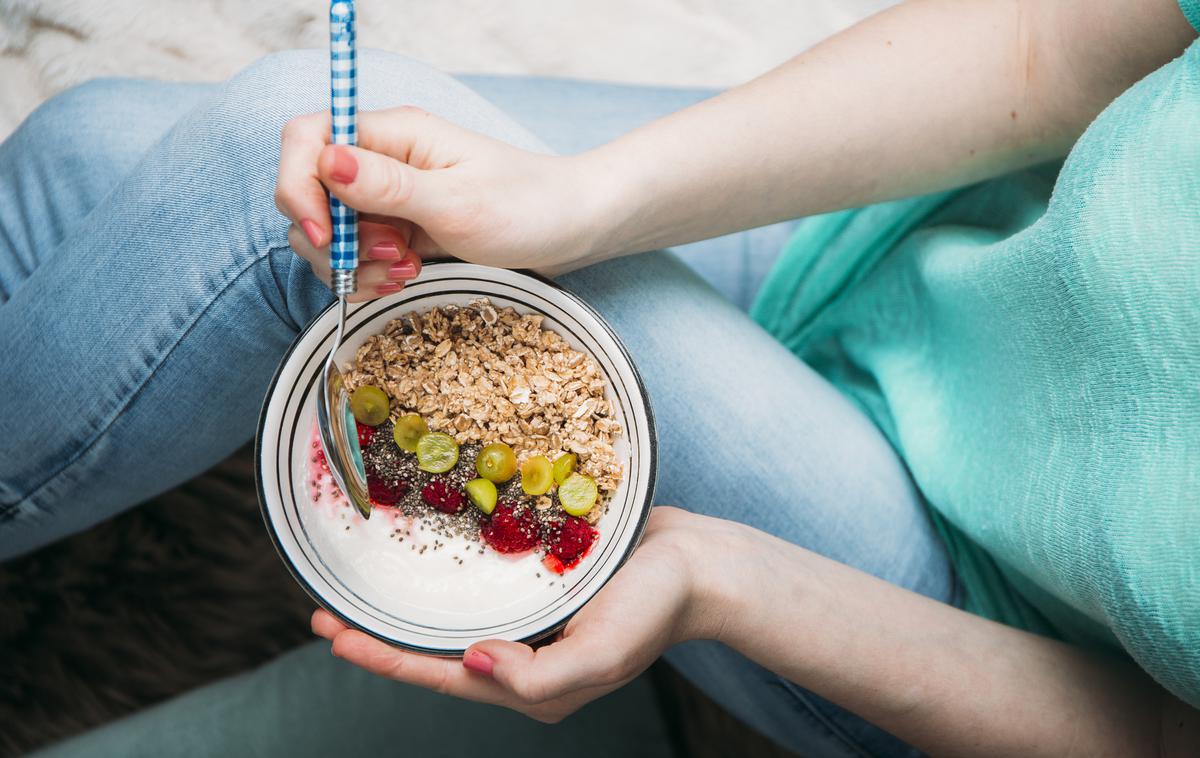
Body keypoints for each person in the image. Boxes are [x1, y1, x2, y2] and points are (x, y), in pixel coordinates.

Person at [3, 0, 1198, 754]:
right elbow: (1052, 44)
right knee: (94, 143)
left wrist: (721, 579)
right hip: (899, 234)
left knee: (273, 152)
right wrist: (584, 201)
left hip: (953, 604)